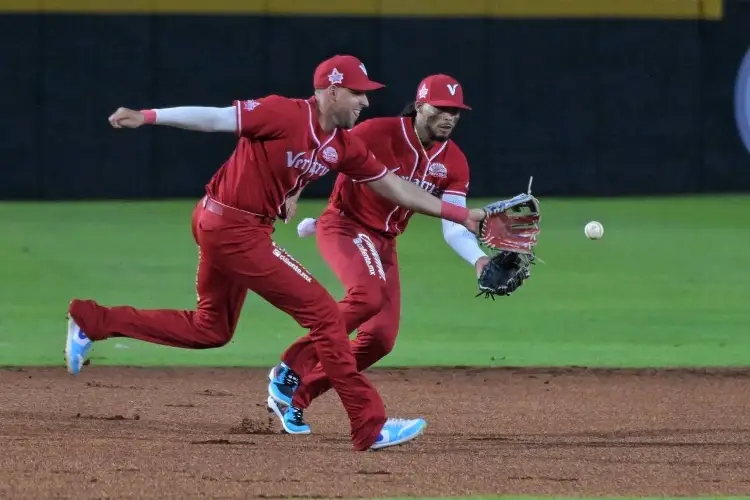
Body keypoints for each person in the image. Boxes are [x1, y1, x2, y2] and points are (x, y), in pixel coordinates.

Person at [64, 56, 489, 452]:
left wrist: (462, 214)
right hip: (234, 227)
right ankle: (368, 424)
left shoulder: (341, 145)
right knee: (324, 315)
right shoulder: (284, 112)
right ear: (331, 92)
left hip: (229, 223)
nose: (365, 100)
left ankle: (92, 320)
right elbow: (215, 119)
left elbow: (395, 188)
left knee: (211, 329)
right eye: (358, 92)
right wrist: (149, 117)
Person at [266, 74, 489, 435]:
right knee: (365, 297)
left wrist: (478, 259)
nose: (449, 117)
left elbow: (453, 224)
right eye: (441, 108)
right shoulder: (378, 132)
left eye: (455, 111)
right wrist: (292, 190)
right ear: (420, 106)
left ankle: (296, 397)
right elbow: (322, 151)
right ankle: (290, 367)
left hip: (384, 243)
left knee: (380, 340)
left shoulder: (454, 162)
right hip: (344, 225)